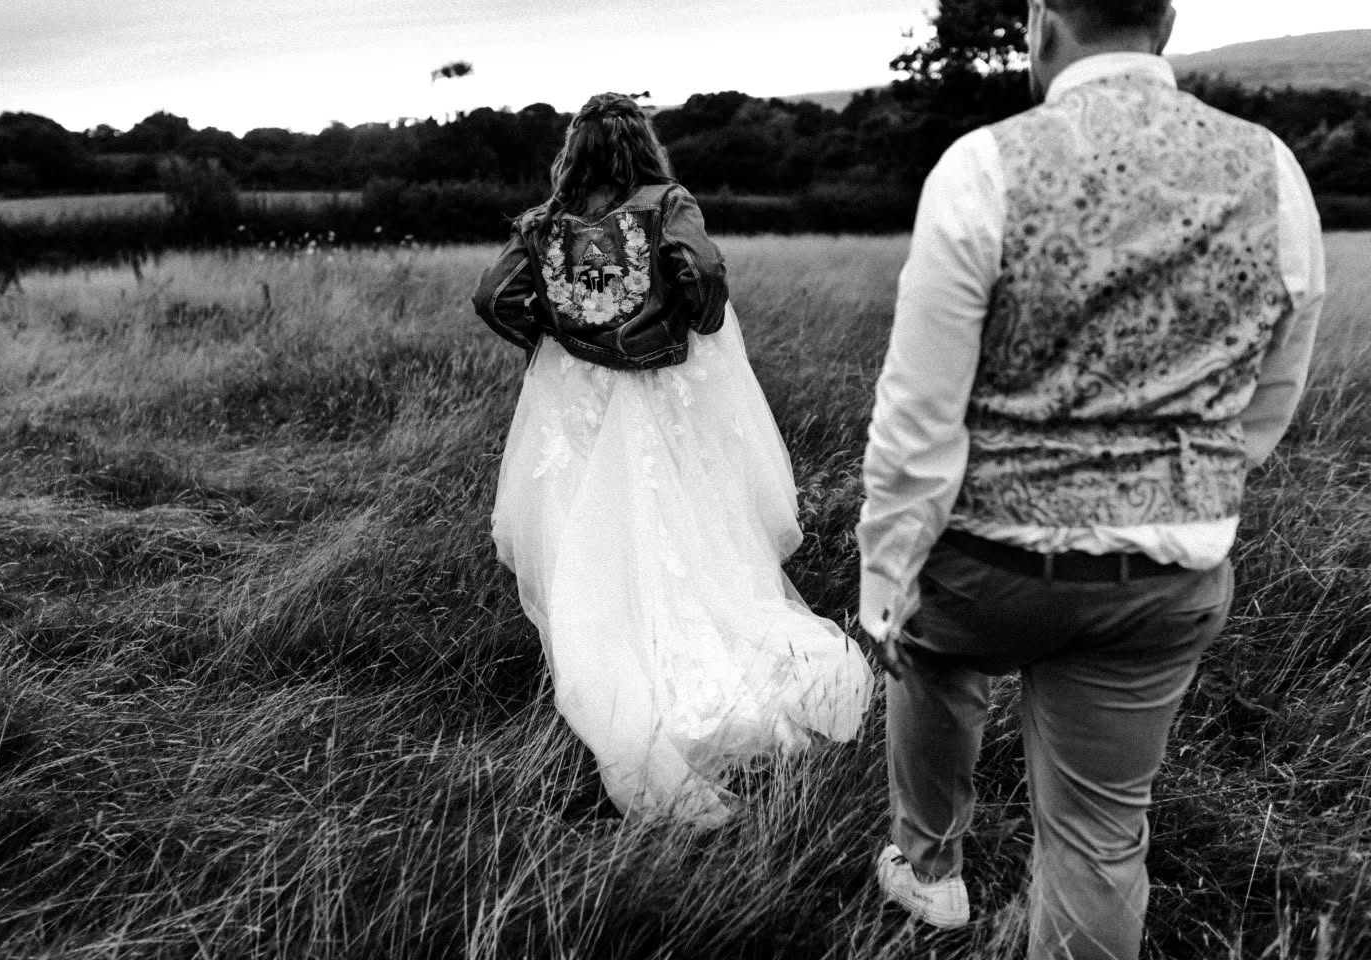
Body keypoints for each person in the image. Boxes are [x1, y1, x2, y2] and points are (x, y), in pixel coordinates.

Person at [857, 1, 1325, 956]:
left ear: (1039, 24)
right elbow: (1274, 385)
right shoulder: (1273, 170)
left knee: (932, 657)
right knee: (1101, 836)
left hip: (989, 560)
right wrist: (1192, 486)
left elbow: (918, 413)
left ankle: (929, 866)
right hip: (1165, 575)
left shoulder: (983, 165)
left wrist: (886, 574)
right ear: (1166, 23)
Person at [472, 93, 872, 827]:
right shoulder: (667, 202)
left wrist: (556, 336)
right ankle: (690, 669)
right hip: (656, 390)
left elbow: (494, 295)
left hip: (578, 401)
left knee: (590, 534)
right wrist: (687, 323)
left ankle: (614, 668)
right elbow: (702, 271)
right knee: (681, 524)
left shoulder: (543, 224)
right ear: (642, 145)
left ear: (576, 150)